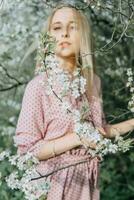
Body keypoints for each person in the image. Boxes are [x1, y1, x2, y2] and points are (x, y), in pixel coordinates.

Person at [14, 3, 134, 200]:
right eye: (57, 28)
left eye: (73, 27)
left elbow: (99, 132)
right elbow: (28, 150)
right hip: (54, 183)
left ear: (83, 35)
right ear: (48, 37)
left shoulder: (93, 82)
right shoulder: (38, 86)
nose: (65, 34)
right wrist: (77, 137)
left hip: (87, 183)